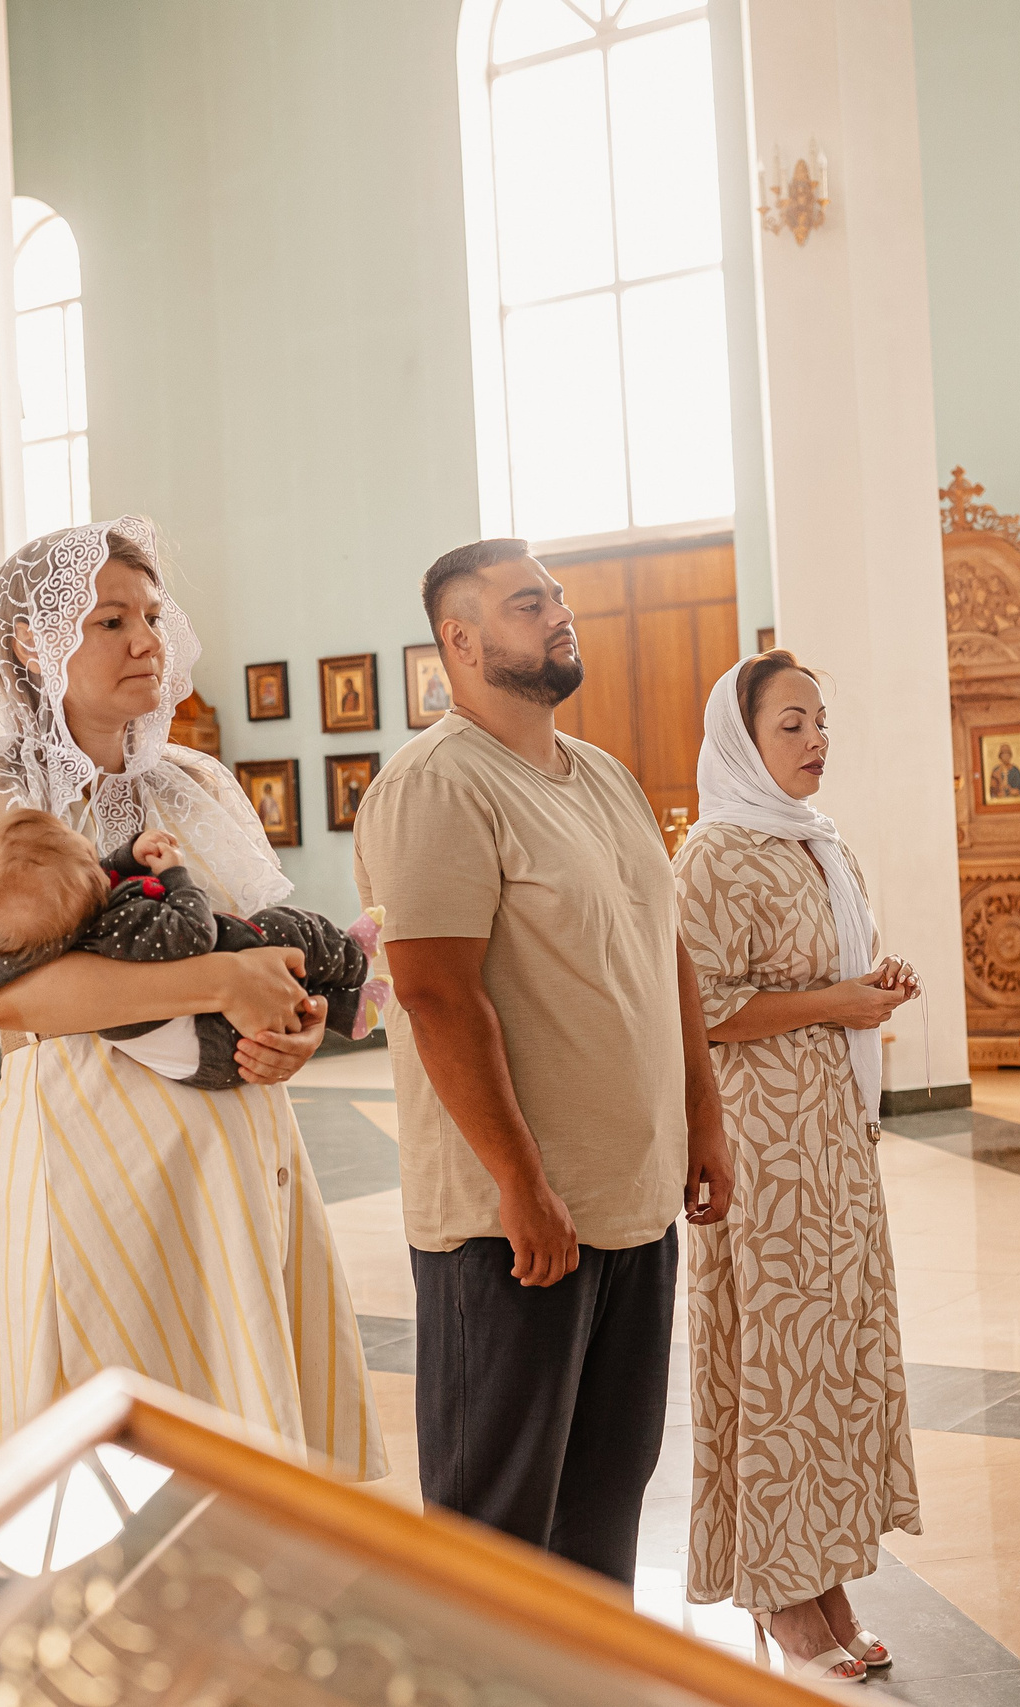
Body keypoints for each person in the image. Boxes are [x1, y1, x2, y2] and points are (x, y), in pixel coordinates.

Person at [0, 516, 384, 1475]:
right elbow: (7, 997)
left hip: (240, 1147)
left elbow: (272, 954)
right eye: (111, 620)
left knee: (247, 1444)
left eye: (153, 617)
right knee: (115, 1450)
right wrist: (217, 979)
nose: (145, 642)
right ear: (32, 643)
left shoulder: (198, 782)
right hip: (93, 1153)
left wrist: (298, 1032)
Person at [353, 537, 732, 1586]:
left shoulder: (602, 774)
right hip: (509, 1223)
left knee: (604, 1505)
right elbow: (434, 993)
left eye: (557, 597)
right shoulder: (433, 785)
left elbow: (667, 955)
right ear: (462, 641)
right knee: (497, 1537)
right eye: (530, 604)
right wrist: (520, 1180)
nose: (560, 614)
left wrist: (701, 1119)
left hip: (630, 1201)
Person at [675, 651, 923, 1687]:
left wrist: (872, 988)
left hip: (831, 1138)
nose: (815, 740)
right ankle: (783, 1595)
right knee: (777, 1365)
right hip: (761, 1146)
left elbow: (823, 980)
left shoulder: (823, 844)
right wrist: (838, 1003)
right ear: (741, 739)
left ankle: (823, 1579)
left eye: (820, 722)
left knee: (829, 1362)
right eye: (791, 724)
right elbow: (699, 1009)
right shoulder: (712, 857)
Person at [0, 816, 375, 1089]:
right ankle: (355, 955)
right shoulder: (121, 921)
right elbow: (194, 932)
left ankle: (344, 1007)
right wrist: (178, 877)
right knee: (284, 926)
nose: (152, 652)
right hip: (142, 1095)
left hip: (233, 1068)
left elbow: (89, 876)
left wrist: (301, 1033)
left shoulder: (63, 911)